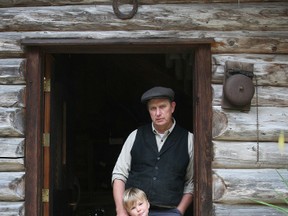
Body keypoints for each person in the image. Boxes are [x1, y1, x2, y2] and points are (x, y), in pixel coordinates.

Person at [112, 86, 194, 216]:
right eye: (153, 108)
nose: (158, 113)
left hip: (169, 211)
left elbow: (192, 181)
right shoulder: (136, 135)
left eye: (162, 107)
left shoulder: (188, 139)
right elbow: (119, 174)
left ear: (172, 107)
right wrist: (121, 210)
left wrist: (179, 211)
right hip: (134, 212)